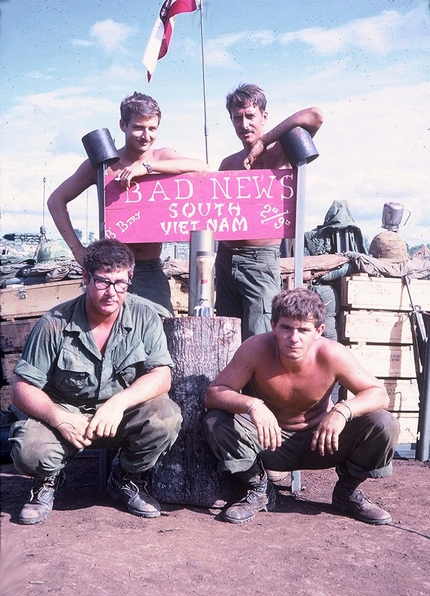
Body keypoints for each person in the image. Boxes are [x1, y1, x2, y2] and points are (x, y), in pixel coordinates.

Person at [8, 238, 182, 525]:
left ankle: (127, 478)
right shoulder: (54, 323)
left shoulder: (145, 316)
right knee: (29, 451)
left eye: (120, 283)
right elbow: (21, 388)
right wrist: (59, 417)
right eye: (102, 282)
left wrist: (117, 404)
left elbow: (161, 375)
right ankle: (47, 481)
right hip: (67, 417)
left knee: (165, 417)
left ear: (130, 279)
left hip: (118, 416)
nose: (111, 293)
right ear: (86, 278)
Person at [204, 288, 400, 525]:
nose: (293, 338)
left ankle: (348, 491)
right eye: (286, 328)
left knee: (383, 423)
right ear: (273, 324)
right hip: (270, 443)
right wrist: (252, 404)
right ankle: (258, 489)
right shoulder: (256, 349)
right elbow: (214, 393)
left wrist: (341, 411)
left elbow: (379, 394)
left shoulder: (332, 353)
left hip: (322, 443)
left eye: (303, 330)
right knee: (217, 420)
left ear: (318, 331)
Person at [48, 92, 209, 317]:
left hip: (148, 269)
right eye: (139, 127)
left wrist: (147, 168)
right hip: (108, 271)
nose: (146, 135)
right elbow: (56, 200)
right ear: (123, 125)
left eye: (152, 128)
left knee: (160, 327)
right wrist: (77, 250)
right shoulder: (103, 164)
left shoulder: (161, 157)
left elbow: (203, 168)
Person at [216, 83, 323, 339]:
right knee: (226, 337)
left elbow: (315, 115)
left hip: (259, 260)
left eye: (250, 116)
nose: (244, 124)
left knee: (260, 335)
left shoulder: (279, 152)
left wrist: (264, 142)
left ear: (264, 117)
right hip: (225, 259)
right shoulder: (228, 163)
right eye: (237, 117)